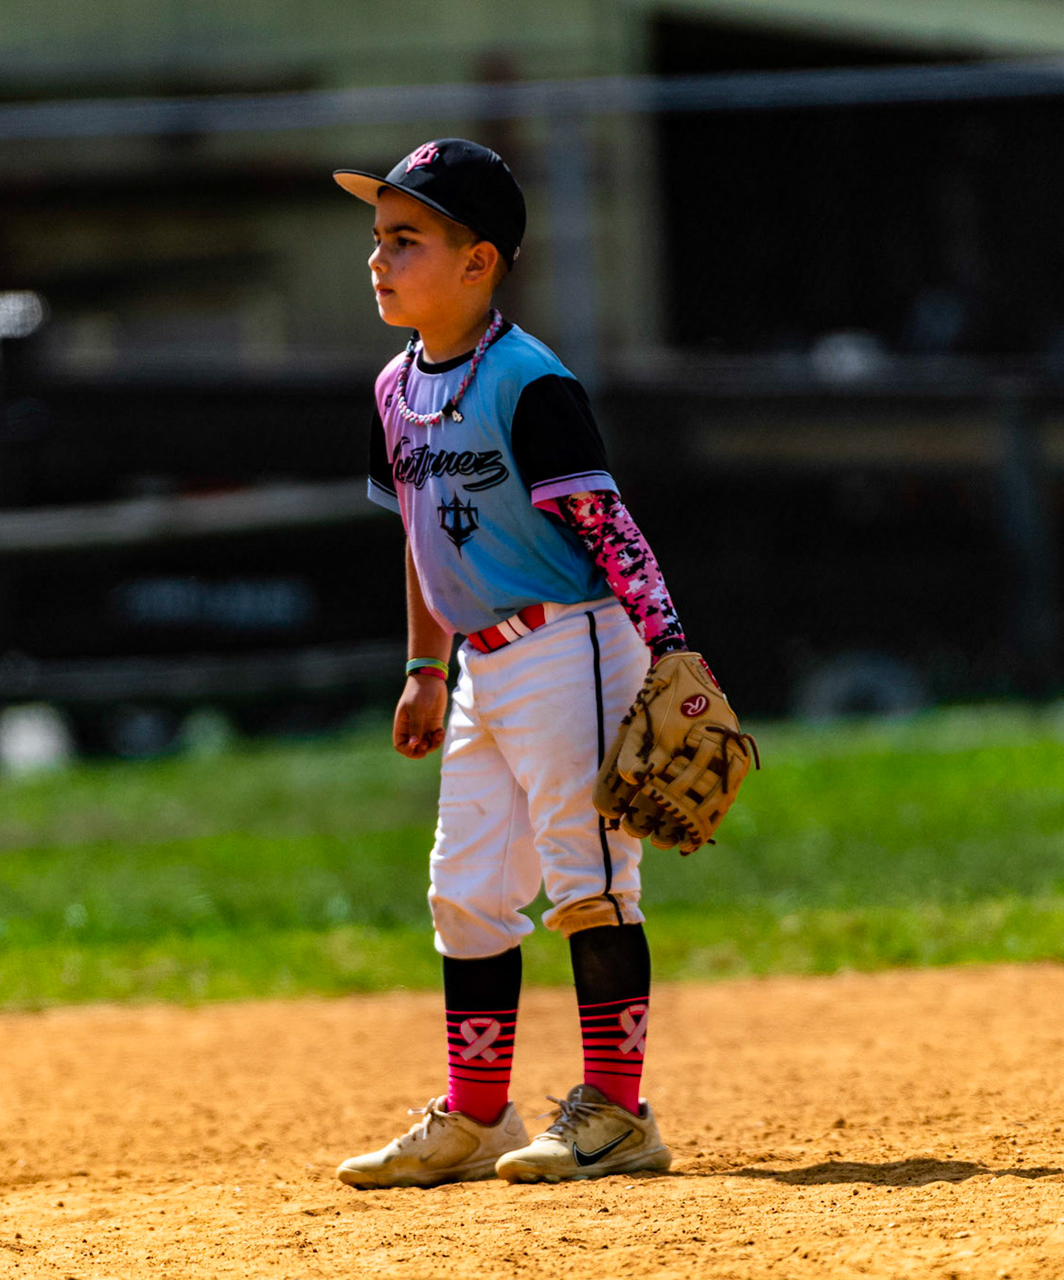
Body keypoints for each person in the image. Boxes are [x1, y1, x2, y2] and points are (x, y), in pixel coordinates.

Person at [332, 139, 724, 1187]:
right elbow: (419, 535)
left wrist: (674, 654)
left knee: (588, 879)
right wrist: (423, 668)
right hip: (480, 667)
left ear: (479, 261)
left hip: (574, 641)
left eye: (406, 239)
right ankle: (476, 1113)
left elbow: (609, 525)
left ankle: (619, 1112)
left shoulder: (529, 381)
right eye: (377, 238)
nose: (378, 258)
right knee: (465, 890)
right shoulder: (393, 387)